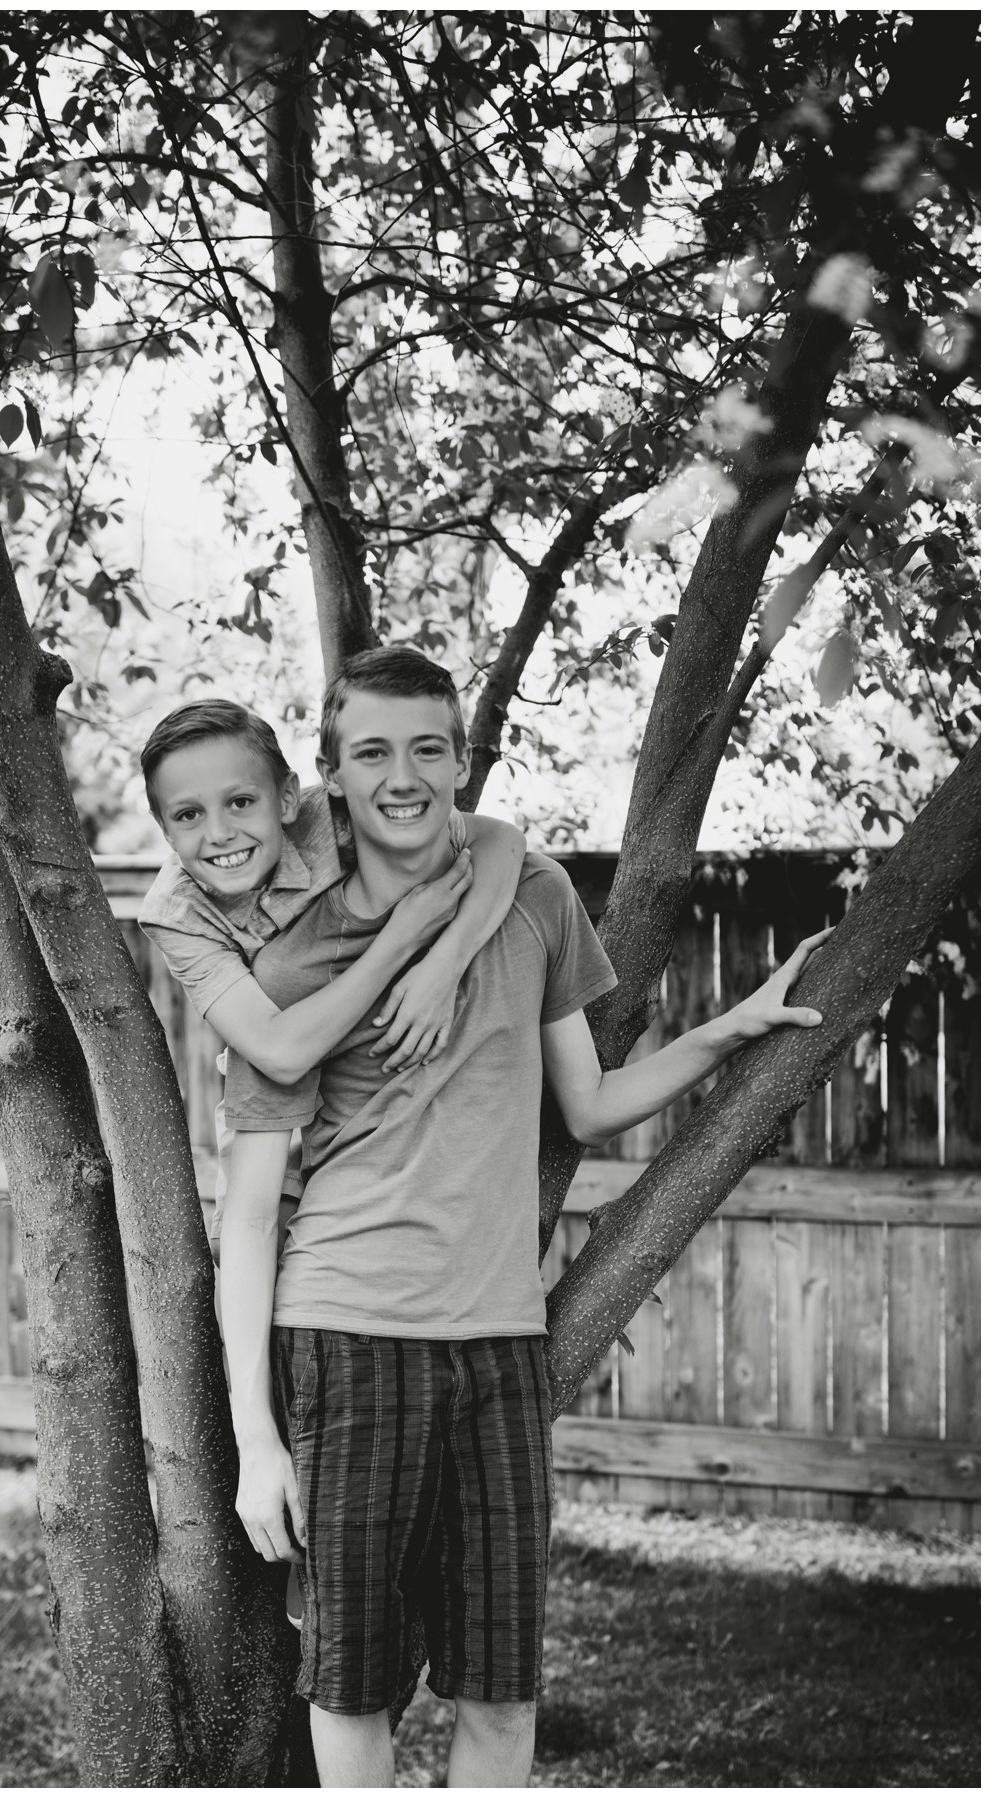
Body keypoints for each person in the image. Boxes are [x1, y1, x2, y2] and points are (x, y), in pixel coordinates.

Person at [214, 646, 828, 1786]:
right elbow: (248, 1218)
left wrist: (736, 1026)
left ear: (462, 759)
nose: (404, 775)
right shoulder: (293, 959)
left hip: (501, 1348)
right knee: (353, 1681)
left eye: (429, 748)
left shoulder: (535, 893)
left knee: (503, 1684)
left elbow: (586, 1102)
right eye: (373, 752)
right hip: (349, 1339)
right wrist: (257, 1440)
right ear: (331, 772)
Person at [137, 697, 529, 1247]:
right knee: (246, 1238)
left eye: (242, 802)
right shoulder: (177, 915)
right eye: (188, 815)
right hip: (274, 1088)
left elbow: (501, 841)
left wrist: (445, 963)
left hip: (378, 1067)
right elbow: (278, 1053)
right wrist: (401, 938)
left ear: (289, 798)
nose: (220, 833)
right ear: (164, 830)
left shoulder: (335, 816)